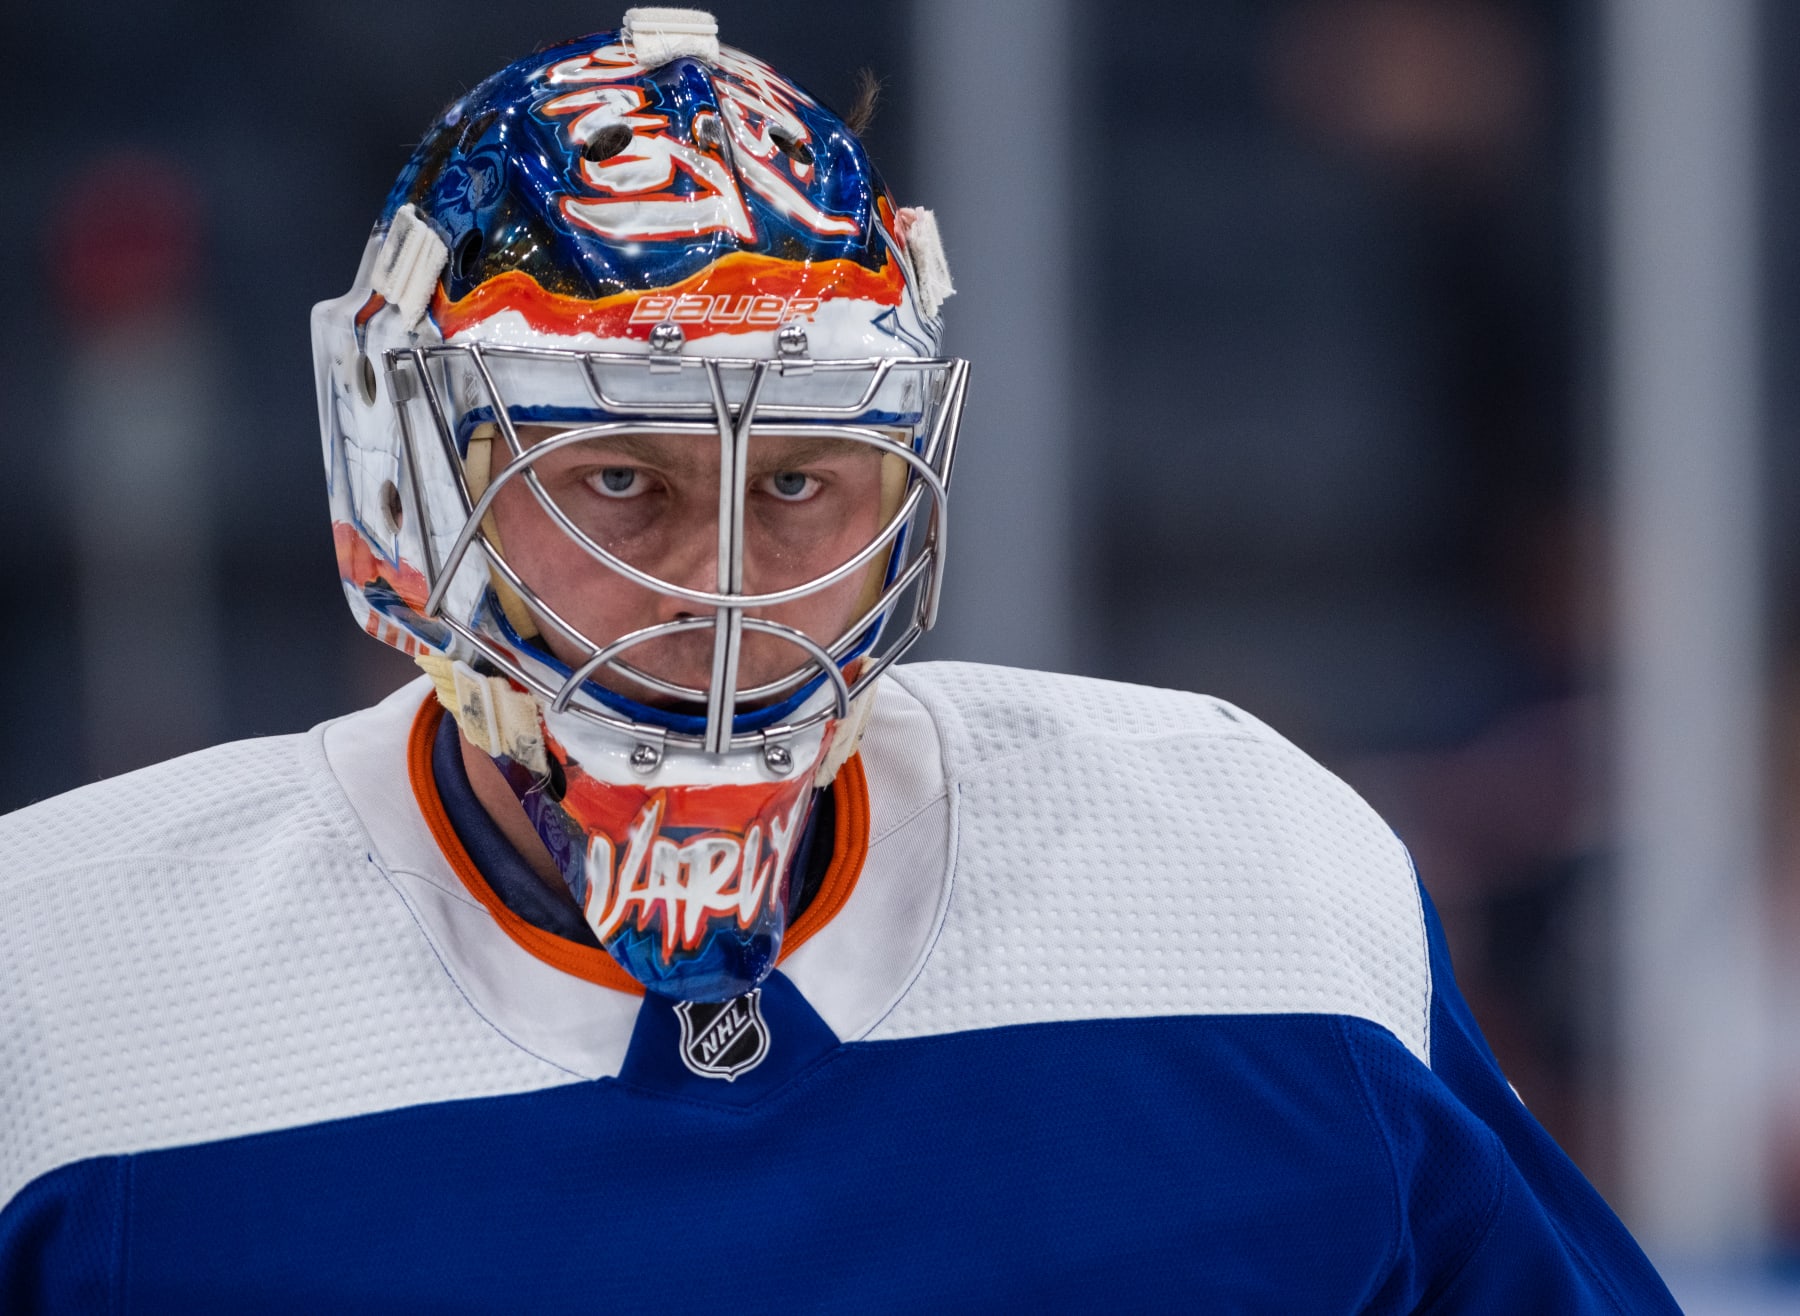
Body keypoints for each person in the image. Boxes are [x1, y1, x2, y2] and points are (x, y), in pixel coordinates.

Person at [0, 9, 1680, 1311]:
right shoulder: (65, 983)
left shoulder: (1255, 887)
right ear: (403, 483)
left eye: (800, 478)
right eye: (616, 481)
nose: (727, 582)